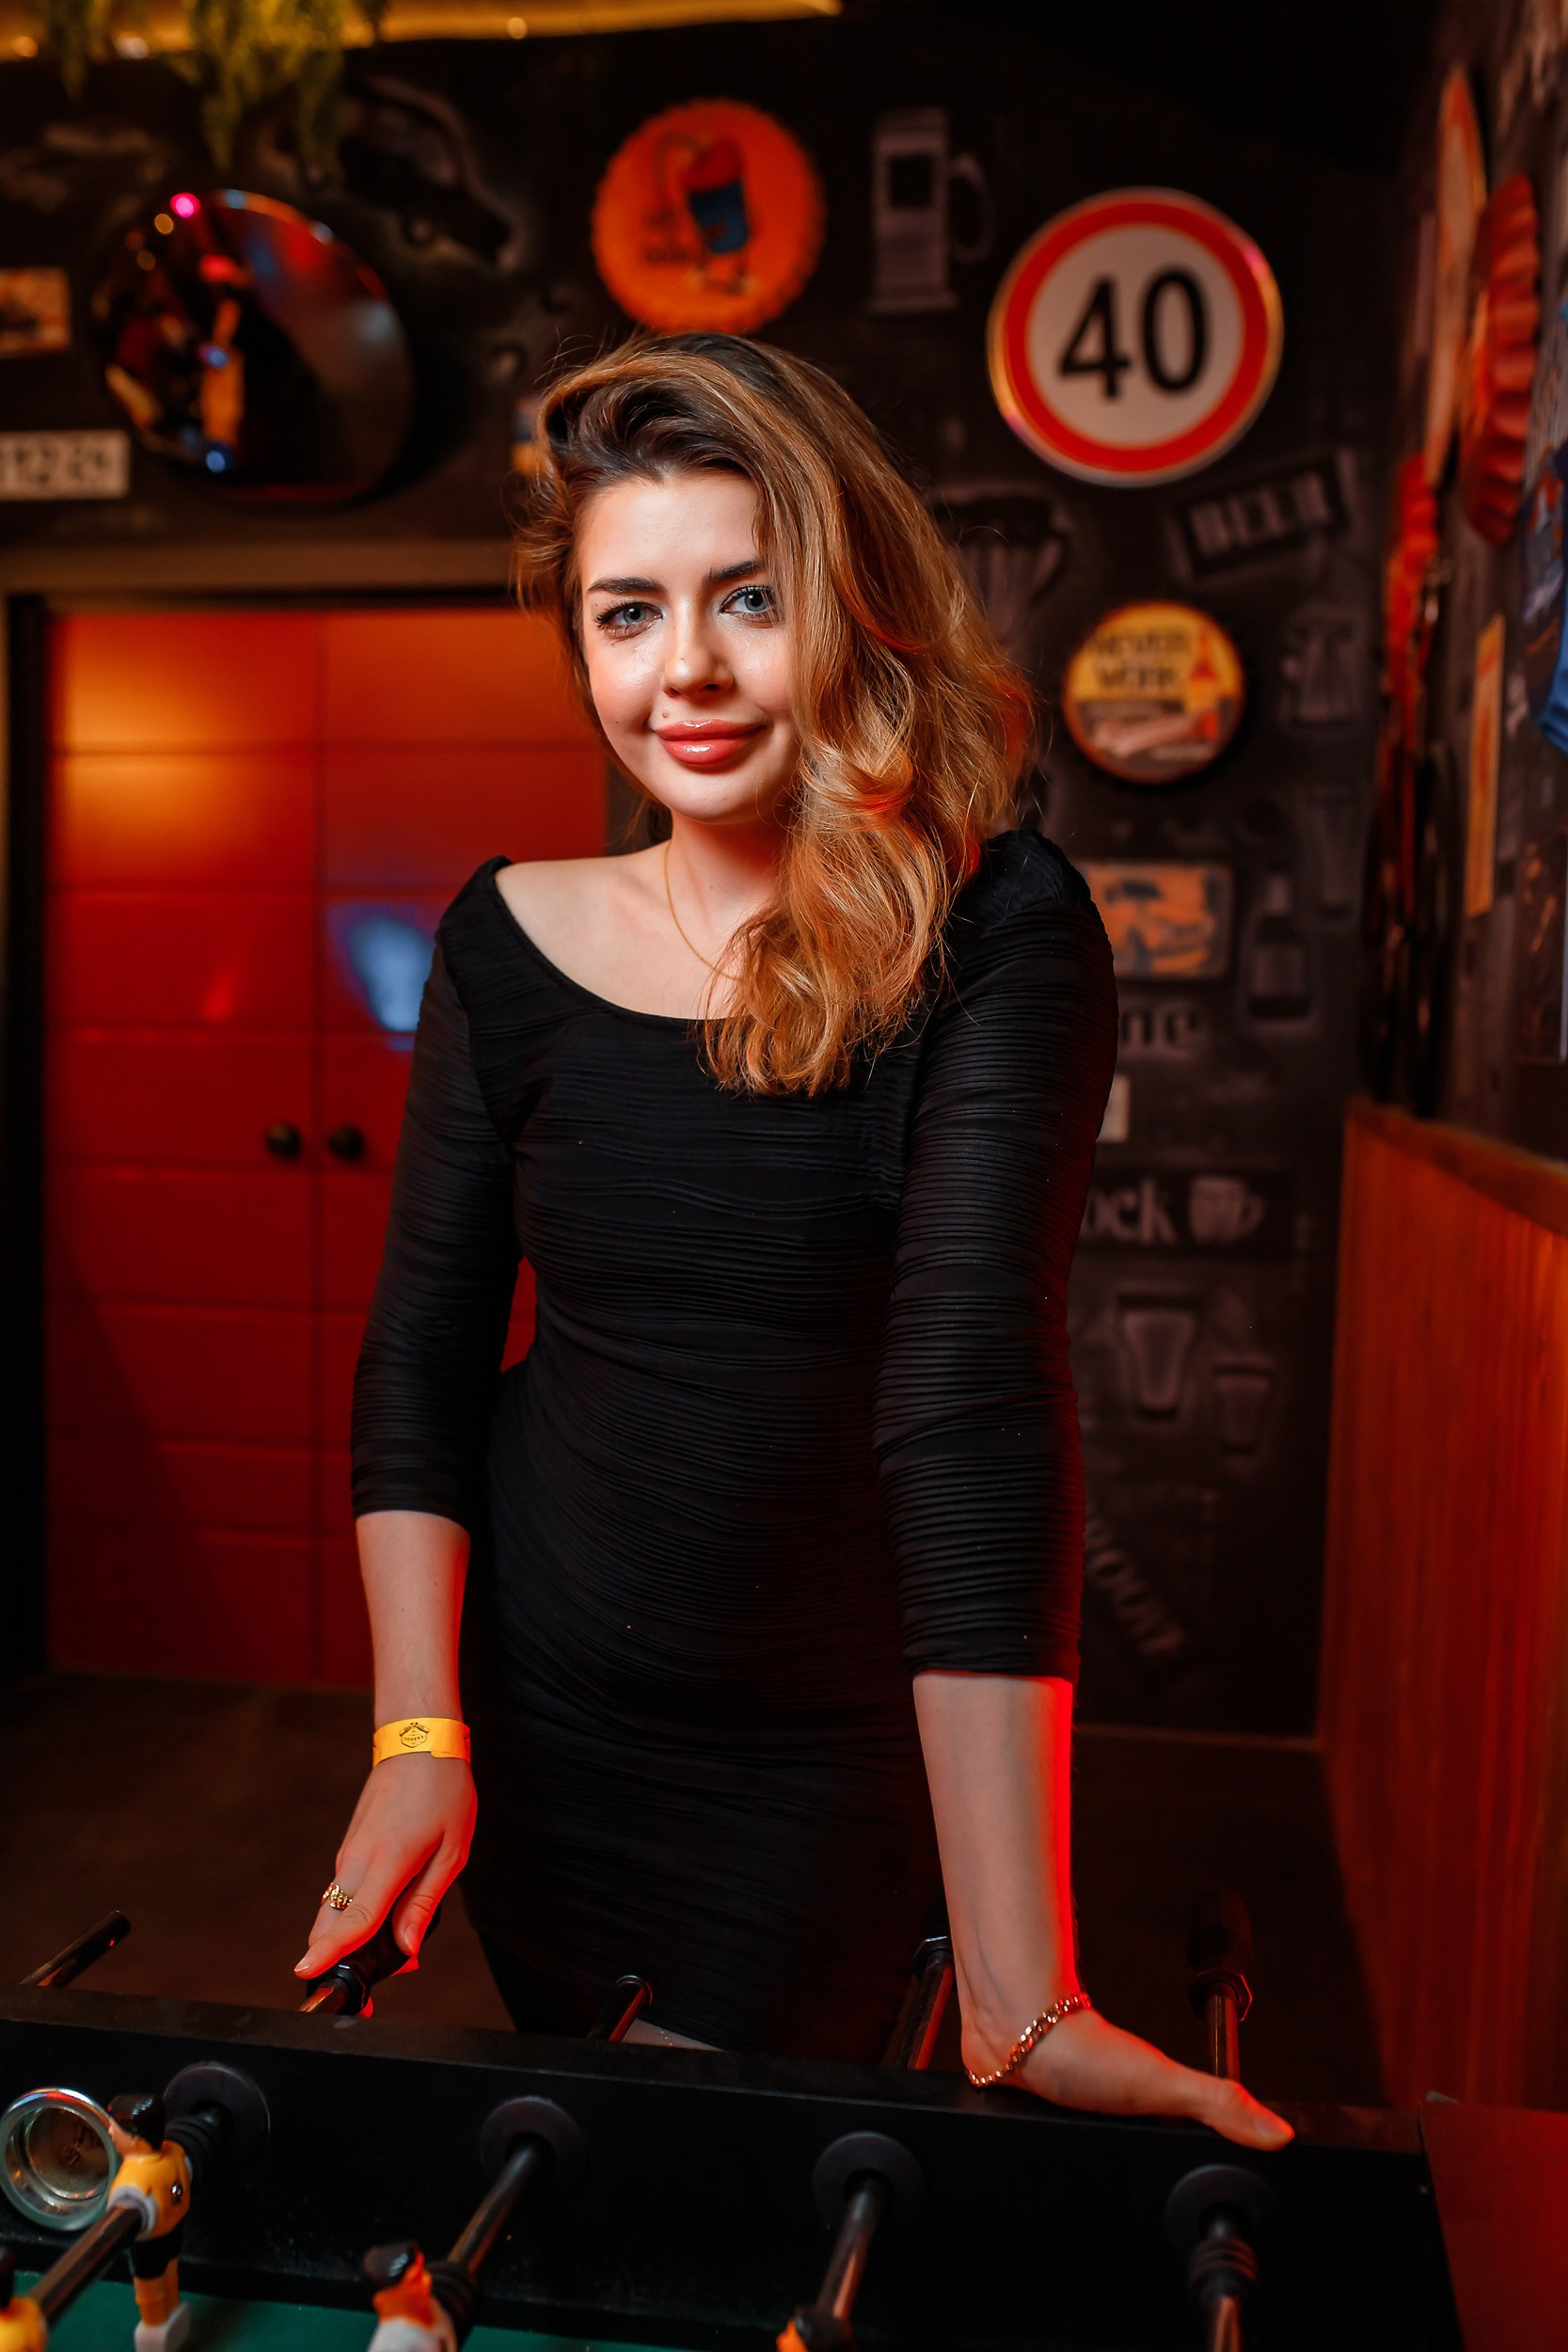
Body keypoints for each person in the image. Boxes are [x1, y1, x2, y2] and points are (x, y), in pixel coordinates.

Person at [296, 332, 1289, 2148]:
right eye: (625, 613)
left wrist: (1023, 1984)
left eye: (748, 596)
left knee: (710, 2182)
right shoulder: (505, 941)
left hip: (824, 1748)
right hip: (542, 1712)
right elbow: (423, 1362)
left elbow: (972, 1403)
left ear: (852, 606)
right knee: (592, 2147)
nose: (683, 667)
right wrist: (418, 1739)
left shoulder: (1000, 931)